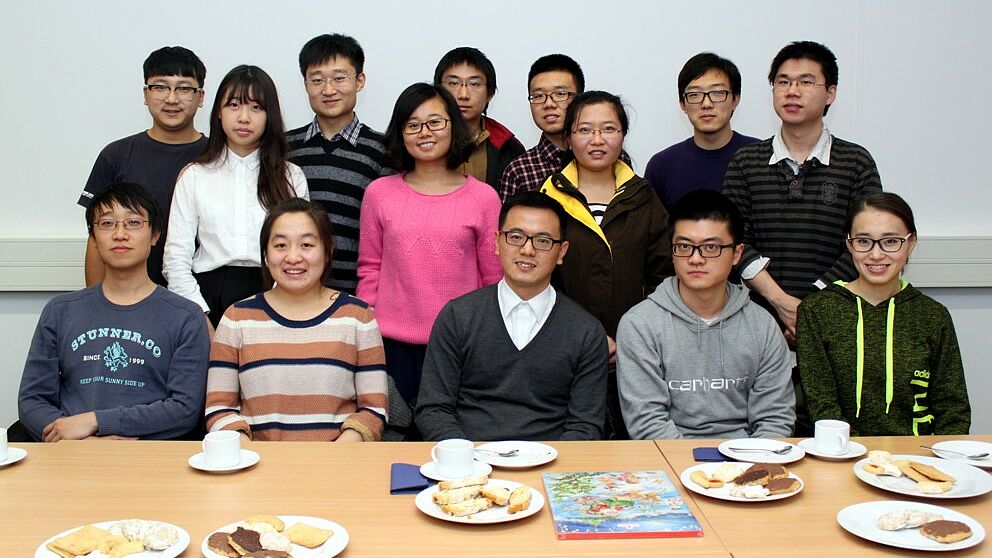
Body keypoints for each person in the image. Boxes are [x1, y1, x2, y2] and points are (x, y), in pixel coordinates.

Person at [723, 41, 882, 436]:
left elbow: (865, 243)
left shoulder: (856, 162)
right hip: (758, 324)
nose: (792, 91)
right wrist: (781, 303)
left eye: (806, 82)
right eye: (783, 82)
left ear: (830, 93)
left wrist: (808, 309)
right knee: (763, 437)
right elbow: (734, 243)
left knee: (831, 434)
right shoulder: (746, 162)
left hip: (837, 325)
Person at [19, 182, 210, 441]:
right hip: (71, 452)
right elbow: (32, 400)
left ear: (155, 235)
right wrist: (80, 441)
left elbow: (184, 409)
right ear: (94, 238)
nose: (120, 234)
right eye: (107, 224)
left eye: (133, 223)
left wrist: (97, 422)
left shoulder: (186, 316)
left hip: (149, 455)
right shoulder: (60, 311)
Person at [416, 191, 608, 441]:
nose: (527, 250)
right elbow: (433, 409)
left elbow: (585, 425)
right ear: (497, 242)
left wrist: (551, 462)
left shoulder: (586, 332)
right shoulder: (457, 317)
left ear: (562, 252)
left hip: (552, 459)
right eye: (516, 237)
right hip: (469, 457)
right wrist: (465, 458)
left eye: (543, 241)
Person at [357, 83, 502, 409]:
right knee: (393, 433)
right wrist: (366, 331)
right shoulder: (379, 194)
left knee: (453, 434)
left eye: (435, 122)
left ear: (454, 125)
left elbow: (493, 281)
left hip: (461, 345)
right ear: (400, 133)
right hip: (391, 346)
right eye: (413, 125)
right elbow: (370, 268)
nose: (425, 132)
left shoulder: (483, 198)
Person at [539, 90, 671, 438]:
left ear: (623, 135)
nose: (597, 140)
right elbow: (538, 281)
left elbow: (663, 277)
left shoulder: (644, 197)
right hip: (562, 348)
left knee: (631, 446)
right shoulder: (547, 199)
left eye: (608, 129)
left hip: (636, 351)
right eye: (585, 130)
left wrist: (632, 336)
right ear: (568, 138)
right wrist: (589, 334)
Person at [205, 198, 388, 441]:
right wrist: (251, 453)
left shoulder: (358, 316)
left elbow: (374, 409)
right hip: (257, 461)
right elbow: (219, 409)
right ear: (265, 254)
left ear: (328, 251)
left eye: (306, 245)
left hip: (337, 460)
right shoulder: (236, 318)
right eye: (280, 245)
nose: (293, 257)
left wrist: (337, 453)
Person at [617, 190, 795, 439]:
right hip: (667, 457)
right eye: (684, 246)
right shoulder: (640, 324)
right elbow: (648, 424)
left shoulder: (762, 325)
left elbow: (775, 420)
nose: (695, 259)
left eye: (711, 247)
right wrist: (696, 463)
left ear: (737, 253)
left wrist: (746, 462)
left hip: (748, 457)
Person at [797, 193, 970, 436]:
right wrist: (859, 452)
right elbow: (822, 405)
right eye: (863, 241)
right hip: (842, 451)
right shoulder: (817, 310)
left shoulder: (933, 315)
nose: (876, 255)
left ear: (911, 242)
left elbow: (953, 409)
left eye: (890, 242)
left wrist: (939, 455)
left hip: (916, 453)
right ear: (849, 243)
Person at [163, 65, 308, 329]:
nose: (243, 117)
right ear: (219, 111)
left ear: (270, 115)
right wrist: (200, 318)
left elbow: (299, 251)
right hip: (206, 298)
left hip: (275, 295)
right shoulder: (194, 175)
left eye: (256, 107)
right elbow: (175, 259)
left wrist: (280, 307)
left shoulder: (291, 176)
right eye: (233, 105)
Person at [78, 46, 208, 288]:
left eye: (183, 88)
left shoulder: (217, 156)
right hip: (130, 297)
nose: (171, 99)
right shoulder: (116, 155)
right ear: (146, 94)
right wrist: (96, 302)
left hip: (204, 297)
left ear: (200, 97)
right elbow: (97, 238)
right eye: (160, 87)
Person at [287, 34, 393, 295]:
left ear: (360, 81)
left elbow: (387, 232)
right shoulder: (284, 147)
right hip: (292, 290)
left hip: (356, 294)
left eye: (339, 78)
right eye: (317, 80)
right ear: (305, 84)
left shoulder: (384, 151)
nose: (328, 89)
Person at [498, 54, 634, 202]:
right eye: (538, 96)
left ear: (580, 99)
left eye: (560, 94)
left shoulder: (612, 156)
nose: (549, 104)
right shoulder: (519, 170)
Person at [645, 52, 759, 208]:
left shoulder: (760, 158)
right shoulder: (662, 166)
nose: (706, 104)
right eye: (695, 94)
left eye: (717, 93)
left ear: (735, 99)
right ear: (682, 104)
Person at [434, 47, 524, 188]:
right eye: (453, 83)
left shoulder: (510, 148)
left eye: (474, 84)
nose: (463, 95)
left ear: (490, 94)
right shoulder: (420, 140)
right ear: (438, 90)